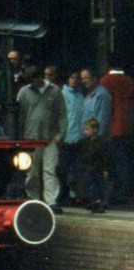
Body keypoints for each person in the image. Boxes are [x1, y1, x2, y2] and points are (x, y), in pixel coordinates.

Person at [16, 63, 67, 213]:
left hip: (50, 138)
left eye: (34, 80)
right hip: (30, 138)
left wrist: (61, 133)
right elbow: (20, 116)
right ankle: (34, 199)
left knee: (50, 170)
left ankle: (51, 201)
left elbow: (62, 114)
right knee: (32, 172)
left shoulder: (55, 91)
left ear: (40, 77)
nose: (32, 83)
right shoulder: (24, 92)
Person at [98, 59, 133, 205]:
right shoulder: (130, 81)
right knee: (127, 161)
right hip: (130, 126)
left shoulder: (105, 81)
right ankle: (126, 191)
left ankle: (118, 193)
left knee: (115, 163)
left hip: (113, 128)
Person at [59, 71, 85, 206]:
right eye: (72, 77)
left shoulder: (81, 96)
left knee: (77, 170)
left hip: (79, 138)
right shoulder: (62, 95)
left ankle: (75, 196)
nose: (75, 80)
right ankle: (64, 195)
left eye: (77, 78)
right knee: (64, 169)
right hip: (66, 137)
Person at [79, 117, 111, 213]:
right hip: (89, 167)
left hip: (99, 167)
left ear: (95, 130)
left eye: (87, 130)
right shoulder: (85, 142)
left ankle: (101, 202)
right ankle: (93, 201)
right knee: (90, 186)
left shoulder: (101, 142)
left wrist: (105, 169)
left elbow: (105, 156)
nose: (85, 132)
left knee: (100, 186)